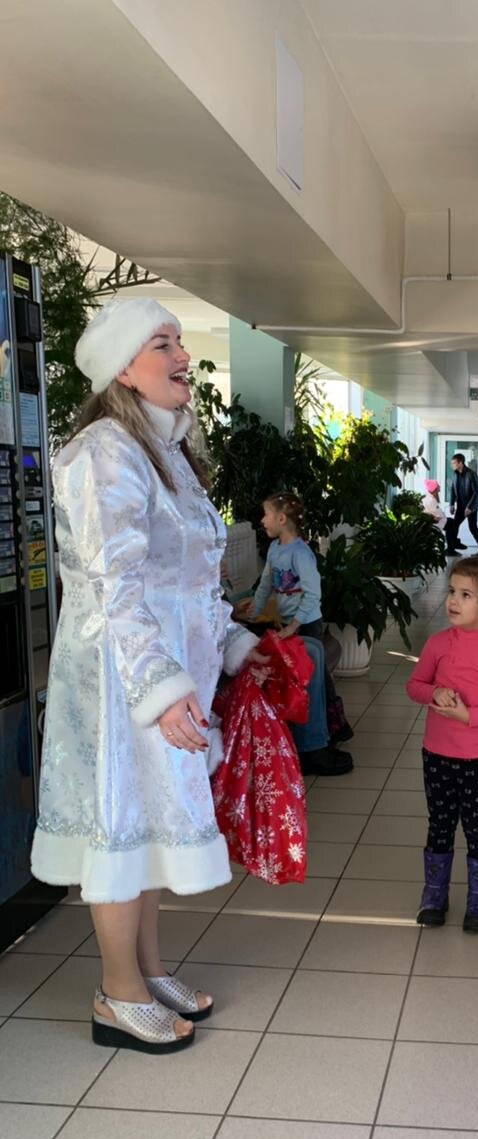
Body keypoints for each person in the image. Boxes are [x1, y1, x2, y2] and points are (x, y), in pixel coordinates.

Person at [31, 297, 265, 1054]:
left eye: (180, 342)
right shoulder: (105, 451)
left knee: (154, 830)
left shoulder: (164, 452)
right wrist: (160, 690)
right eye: (163, 343)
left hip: (166, 674)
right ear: (122, 368)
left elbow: (193, 578)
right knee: (121, 831)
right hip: (122, 683)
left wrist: (232, 642)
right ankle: (117, 993)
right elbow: (112, 584)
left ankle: (148, 969)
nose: (182, 357)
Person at [405, 556, 478, 933]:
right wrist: (434, 692)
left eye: (465, 595)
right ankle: (434, 895)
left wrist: (467, 717)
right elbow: (414, 685)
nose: (453, 601)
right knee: (439, 825)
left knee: (476, 826)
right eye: (452, 592)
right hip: (436, 754)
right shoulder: (438, 644)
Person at [241, 493, 353, 776]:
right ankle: (321, 733)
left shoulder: (301, 553)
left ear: (281, 519)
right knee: (303, 675)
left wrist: (294, 627)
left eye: (265, 514)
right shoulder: (275, 550)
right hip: (287, 623)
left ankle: (332, 728)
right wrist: (252, 612)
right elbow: (266, 584)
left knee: (317, 677)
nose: (262, 520)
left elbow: (313, 595)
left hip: (306, 623)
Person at [445, 452, 478, 556]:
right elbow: (452, 490)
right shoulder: (455, 474)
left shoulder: (471, 474)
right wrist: (451, 504)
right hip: (460, 506)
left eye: (454, 463)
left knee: (472, 527)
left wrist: (469, 507)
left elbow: (476, 492)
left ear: (460, 463)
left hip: (471, 506)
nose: (452, 465)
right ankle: (452, 548)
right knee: (454, 525)